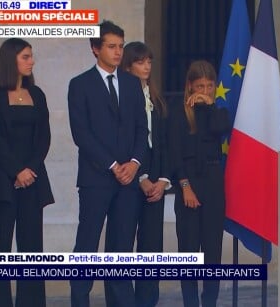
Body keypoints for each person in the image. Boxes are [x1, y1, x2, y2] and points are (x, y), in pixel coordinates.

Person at [68, 21, 148, 307]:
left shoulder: (131, 83)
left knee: (121, 250)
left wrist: (135, 163)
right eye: (111, 46)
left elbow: (142, 128)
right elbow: (82, 134)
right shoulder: (79, 85)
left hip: (128, 182)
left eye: (120, 46)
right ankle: (80, 301)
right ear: (95, 48)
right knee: (87, 247)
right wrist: (114, 165)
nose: (117, 52)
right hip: (96, 179)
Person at [0, 37, 54, 307]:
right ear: (11, 60)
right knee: (0, 251)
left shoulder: (38, 94)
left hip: (33, 181)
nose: (31, 61)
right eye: (26, 56)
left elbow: (44, 138)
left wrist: (30, 170)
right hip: (3, 181)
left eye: (31, 56)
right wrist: (16, 171)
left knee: (32, 251)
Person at [168, 60, 230, 307]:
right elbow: (174, 151)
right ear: (190, 86)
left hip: (214, 183)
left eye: (209, 86)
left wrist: (210, 106)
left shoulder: (219, 112)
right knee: (189, 251)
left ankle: (210, 302)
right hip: (188, 182)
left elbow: (220, 129)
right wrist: (184, 186)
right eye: (200, 86)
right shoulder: (177, 111)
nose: (205, 91)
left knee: (212, 251)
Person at [121, 41, 171, 307]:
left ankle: (147, 300)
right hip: (131, 178)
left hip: (157, 176)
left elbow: (165, 142)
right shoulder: (122, 99)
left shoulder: (157, 99)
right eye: (141, 62)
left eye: (149, 62)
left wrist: (162, 179)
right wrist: (141, 177)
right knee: (125, 242)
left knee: (151, 245)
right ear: (128, 66)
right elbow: (125, 142)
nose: (147, 66)